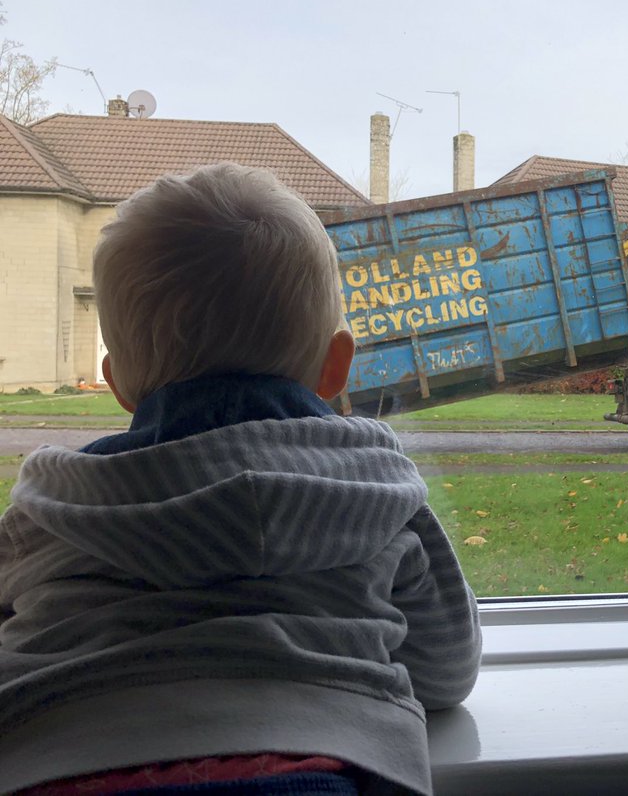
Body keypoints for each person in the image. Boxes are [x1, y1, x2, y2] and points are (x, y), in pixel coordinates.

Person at [0, 163, 482, 795]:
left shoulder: (52, 508)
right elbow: (447, 670)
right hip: (319, 767)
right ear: (336, 367)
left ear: (116, 382)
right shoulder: (379, 496)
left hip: (57, 760)